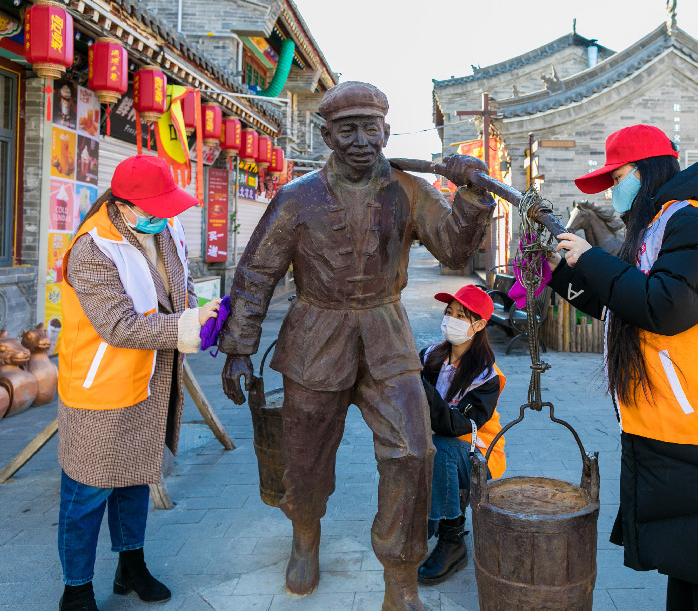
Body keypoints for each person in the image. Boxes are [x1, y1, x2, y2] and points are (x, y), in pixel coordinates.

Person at [218, 81, 495, 611]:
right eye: (348, 130)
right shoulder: (296, 198)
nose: (362, 140)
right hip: (314, 338)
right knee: (304, 457)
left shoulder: (410, 191)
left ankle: (400, 577)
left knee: (414, 450)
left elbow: (454, 249)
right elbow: (256, 274)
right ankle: (305, 537)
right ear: (326, 136)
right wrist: (239, 347)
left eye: (372, 128)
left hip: (387, 337)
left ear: (387, 131)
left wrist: (472, 195)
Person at [546, 125, 698, 610]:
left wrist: (594, 258)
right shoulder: (659, 227)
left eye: (619, 176)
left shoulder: (692, 221)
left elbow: (668, 306)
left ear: (648, 171)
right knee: (691, 574)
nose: (613, 190)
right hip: (675, 429)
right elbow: (623, 303)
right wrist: (565, 272)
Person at [56, 155, 220, 611]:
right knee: (87, 491)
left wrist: (201, 316)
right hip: (101, 387)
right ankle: (77, 588)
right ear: (124, 205)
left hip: (152, 380)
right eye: (153, 209)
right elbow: (119, 326)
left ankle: (131, 567)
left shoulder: (165, 229)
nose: (163, 217)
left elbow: (181, 289)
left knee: (135, 478)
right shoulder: (92, 249)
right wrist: (187, 326)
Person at [417, 285, 506, 584]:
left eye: (461, 316)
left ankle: (452, 537)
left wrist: (423, 389)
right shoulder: (430, 356)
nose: (450, 321)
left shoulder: (486, 376)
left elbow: (456, 426)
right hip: (437, 445)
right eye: (449, 313)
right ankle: (423, 520)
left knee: (441, 445)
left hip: (477, 457)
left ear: (479, 325)